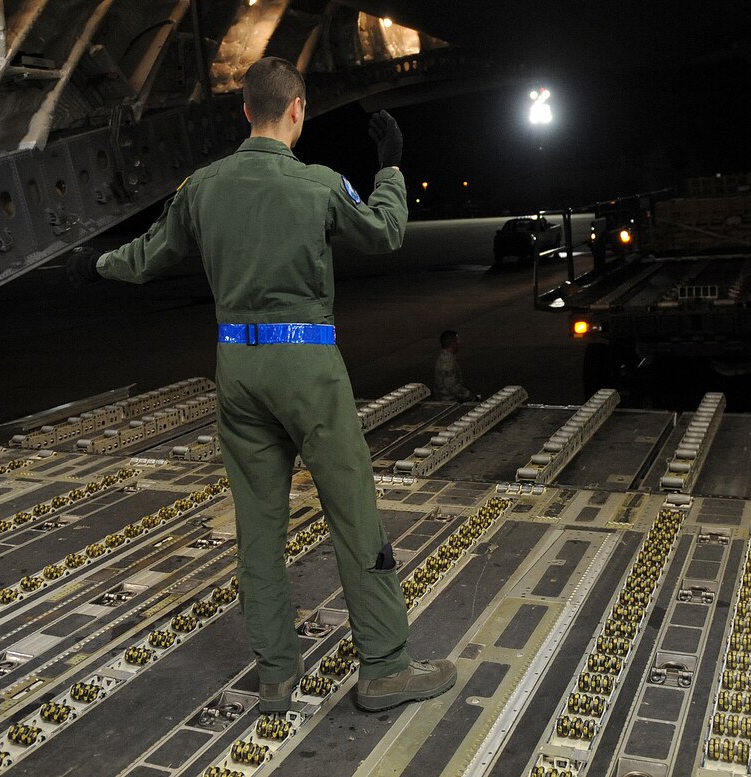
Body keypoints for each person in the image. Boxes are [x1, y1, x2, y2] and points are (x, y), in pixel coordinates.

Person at [67, 56, 455, 714]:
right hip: (307, 370)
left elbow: (145, 257)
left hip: (237, 372)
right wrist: (389, 167)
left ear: (245, 110)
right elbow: (386, 233)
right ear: (297, 109)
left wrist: (94, 264)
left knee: (258, 527)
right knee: (353, 516)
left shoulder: (202, 187)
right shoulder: (318, 184)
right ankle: (385, 667)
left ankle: (276, 674)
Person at [433, 330, 476, 401]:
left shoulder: (444, 357)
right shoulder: (447, 362)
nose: (459, 343)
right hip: (450, 401)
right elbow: (452, 386)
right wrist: (470, 396)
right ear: (452, 343)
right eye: (457, 340)